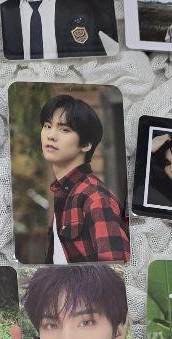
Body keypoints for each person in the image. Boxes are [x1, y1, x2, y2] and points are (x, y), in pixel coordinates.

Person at [35, 93, 129, 263]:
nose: (51, 135)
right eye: (47, 126)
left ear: (86, 144)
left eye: (64, 129)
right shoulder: (64, 192)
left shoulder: (95, 198)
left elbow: (115, 271)